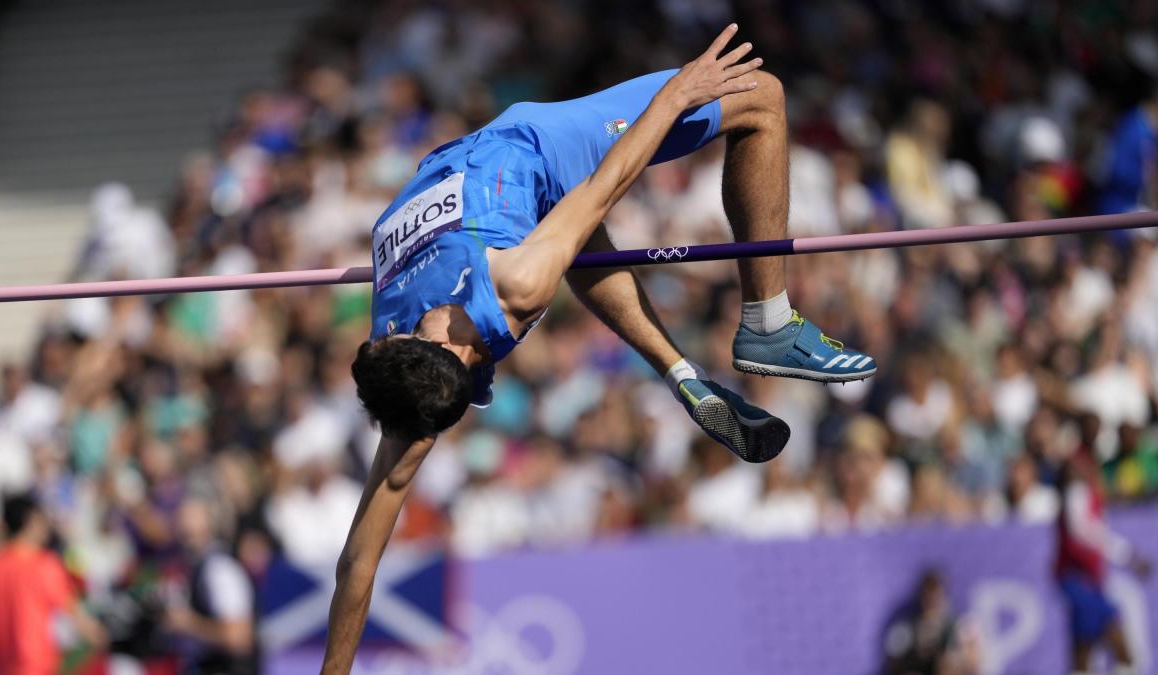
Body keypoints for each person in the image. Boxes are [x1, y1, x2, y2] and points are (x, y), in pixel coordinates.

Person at [323, 25, 876, 671]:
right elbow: (606, 183)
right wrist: (677, 94)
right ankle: (768, 321)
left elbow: (358, 562)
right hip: (521, 149)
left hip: (515, 180)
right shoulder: (480, 298)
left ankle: (676, 368)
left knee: (568, 228)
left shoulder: (413, 395)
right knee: (761, 94)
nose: (389, 333)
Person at [0, 492, 107, 675]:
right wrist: (99, 637)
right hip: (38, 667)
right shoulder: (44, 565)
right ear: (31, 522)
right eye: (42, 520)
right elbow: (77, 617)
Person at [1056, 449, 1151, 675]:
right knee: (1113, 641)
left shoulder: (1087, 495)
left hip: (1087, 580)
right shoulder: (1076, 492)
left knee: (1084, 648)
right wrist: (1126, 555)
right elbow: (1083, 531)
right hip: (1077, 579)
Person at [164, 497, 259, 675]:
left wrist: (188, 623)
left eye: (192, 518)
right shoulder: (192, 566)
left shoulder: (219, 569)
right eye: (181, 518)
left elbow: (238, 636)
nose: (184, 525)